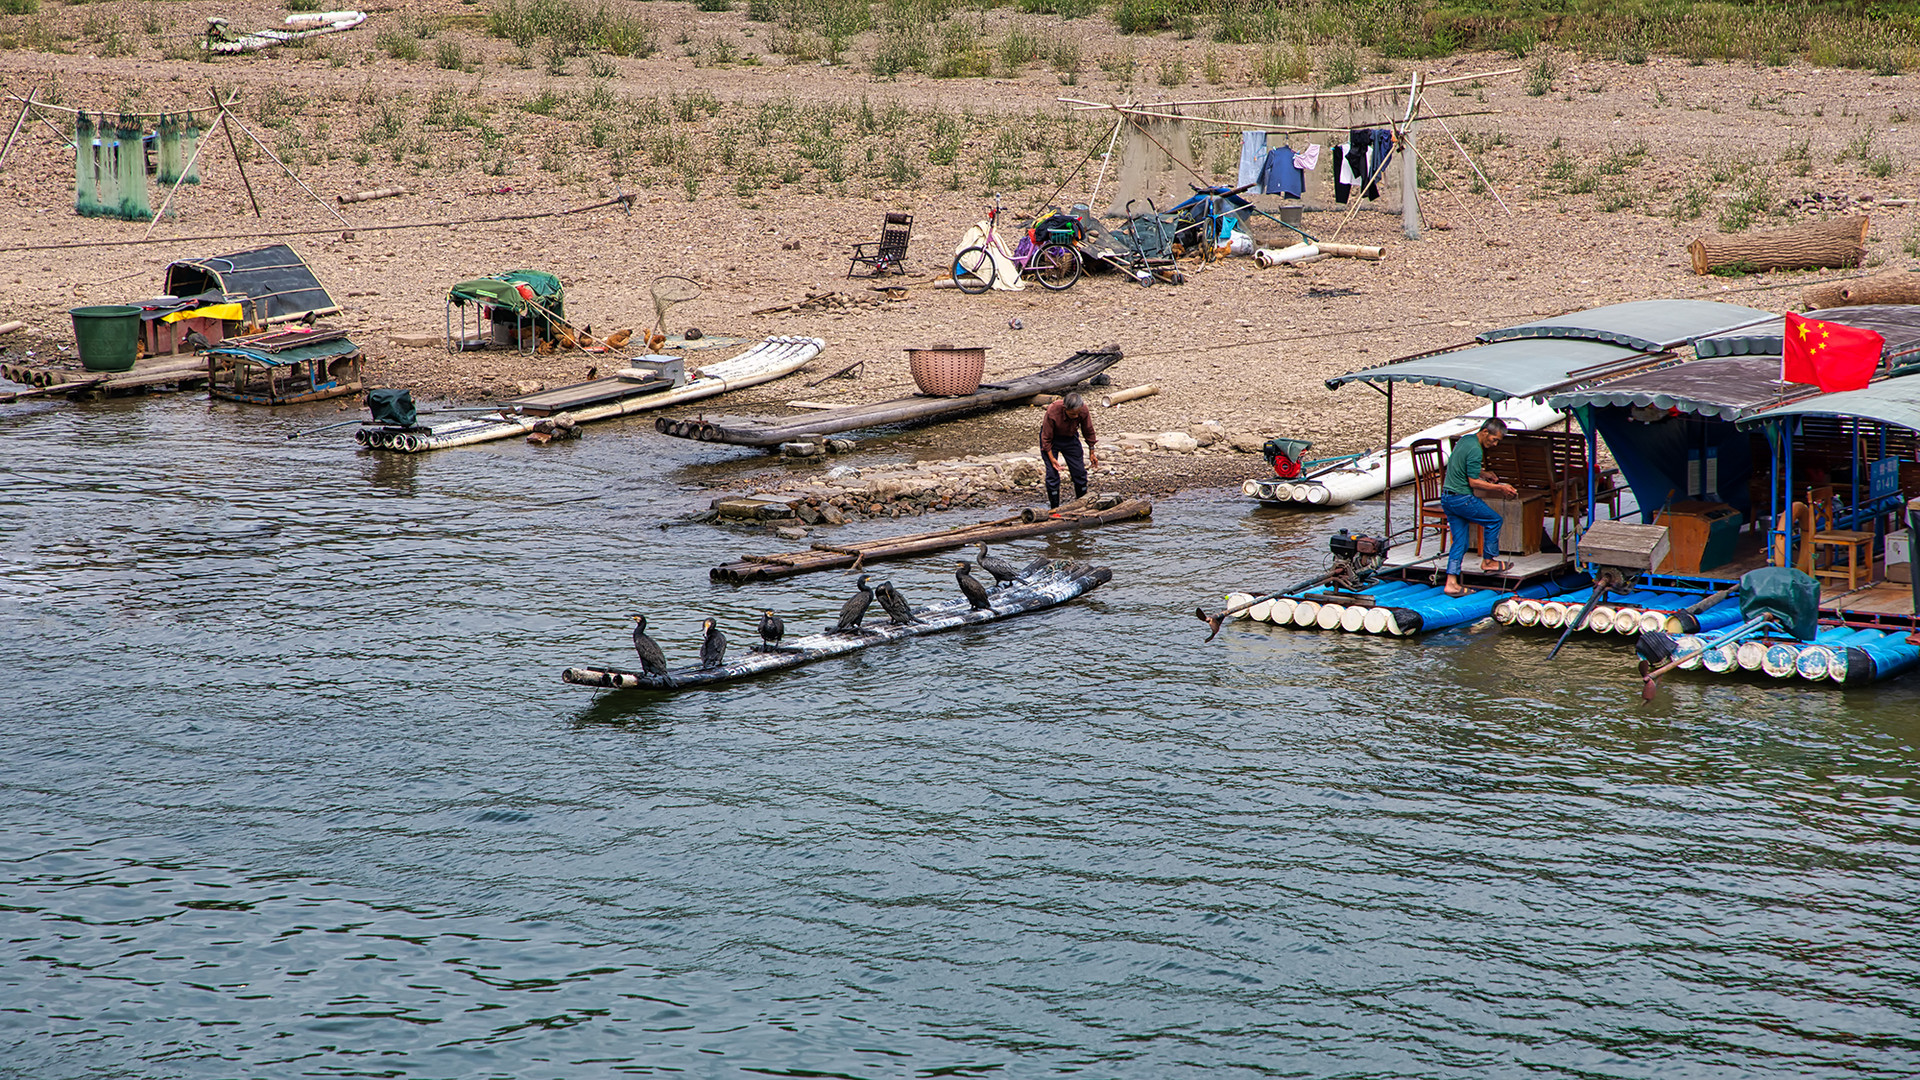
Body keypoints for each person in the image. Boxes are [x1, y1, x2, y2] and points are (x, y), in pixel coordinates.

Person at [1441, 417, 1518, 597]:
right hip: (1462, 498)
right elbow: (1472, 482)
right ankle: (1489, 561)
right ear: (1485, 432)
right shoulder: (1476, 450)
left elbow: (1462, 468)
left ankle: (1451, 583)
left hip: (1447, 498)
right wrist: (1501, 488)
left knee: (1460, 541)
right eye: (1494, 439)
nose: (1495, 444)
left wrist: (1484, 473)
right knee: (1494, 520)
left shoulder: (1466, 440)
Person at [1040, 391, 1098, 508]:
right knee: (1052, 474)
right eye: (1072, 414)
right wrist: (1052, 459)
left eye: (1078, 414)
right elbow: (1046, 439)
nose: (1076, 416)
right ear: (1065, 409)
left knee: (1080, 472)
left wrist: (1092, 452)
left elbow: (1088, 431)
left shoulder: (1083, 410)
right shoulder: (1053, 410)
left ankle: (1082, 504)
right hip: (1052, 439)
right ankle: (1054, 508)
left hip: (1070, 438)